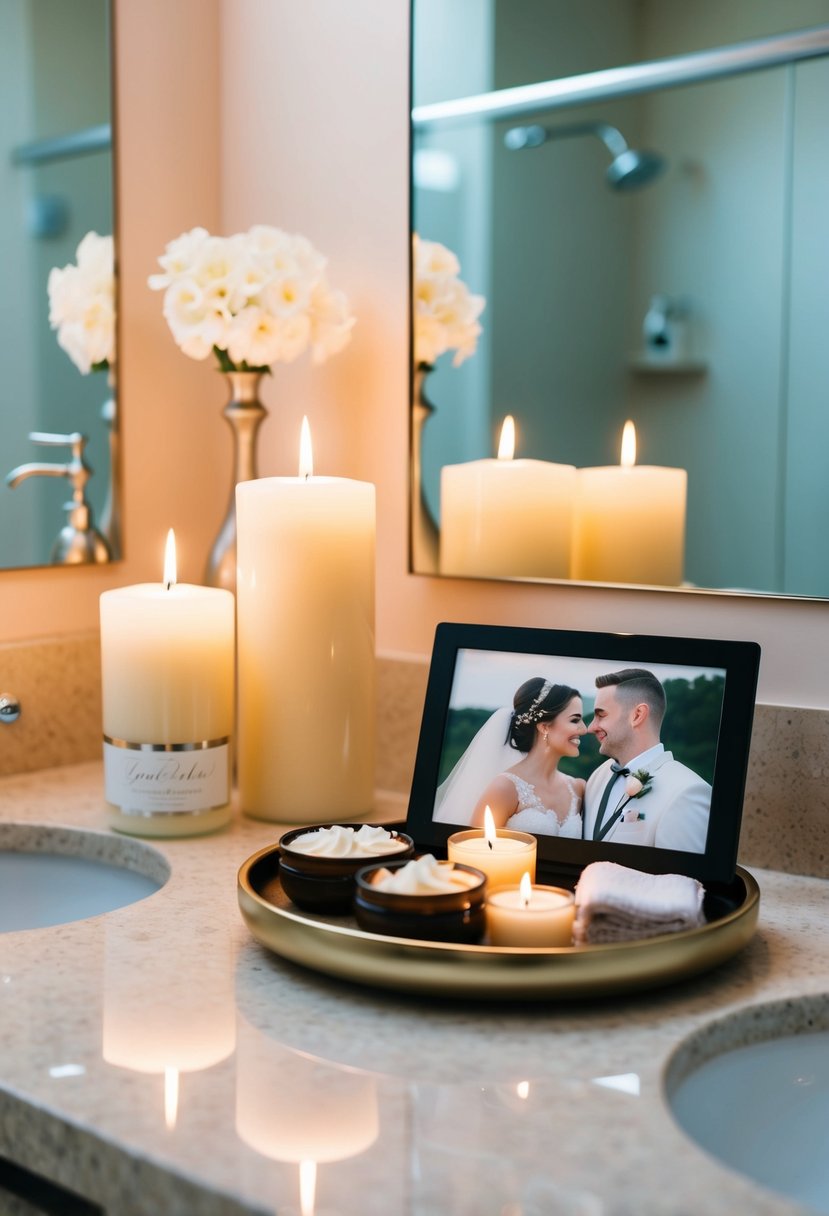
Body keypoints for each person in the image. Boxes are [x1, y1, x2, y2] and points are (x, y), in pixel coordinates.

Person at [433, 677, 586, 836]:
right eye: (575, 720)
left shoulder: (578, 788)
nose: (584, 729)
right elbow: (476, 848)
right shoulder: (505, 788)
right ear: (545, 726)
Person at [582, 668, 710, 853]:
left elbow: (681, 881)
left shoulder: (687, 793)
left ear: (637, 715)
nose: (590, 727)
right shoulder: (598, 776)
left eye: (601, 715)